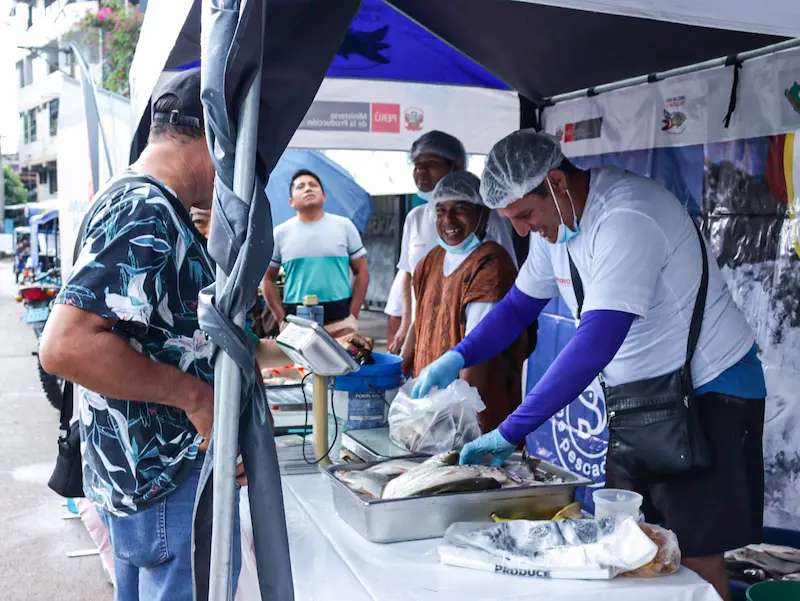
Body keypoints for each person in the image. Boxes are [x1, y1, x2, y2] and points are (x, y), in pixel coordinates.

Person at [413, 129, 766, 601]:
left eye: (525, 216)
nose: (523, 231)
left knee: (695, 556)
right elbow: (517, 308)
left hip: (708, 393)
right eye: (513, 220)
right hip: (645, 399)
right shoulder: (556, 224)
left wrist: (511, 430)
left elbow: (595, 342)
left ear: (557, 183)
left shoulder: (626, 217)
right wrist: (457, 355)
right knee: (636, 548)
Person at [39, 68, 243, 601]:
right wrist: (196, 397)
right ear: (216, 138)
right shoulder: (144, 208)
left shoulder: (139, 199)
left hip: (146, 477)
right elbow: (66, 346)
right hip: (164, 478)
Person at [404, 172, 526, 432]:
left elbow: (479, 349)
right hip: (430, 410)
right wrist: (398, 372)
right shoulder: (431, 260)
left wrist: (458, 419)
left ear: (482, 214)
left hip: (471, 414)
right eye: (441, 210)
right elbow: (420, 319)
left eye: (460, 208)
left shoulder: (490, 263)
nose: (448, 219)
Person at [386, 131, 517, 354]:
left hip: (472, 335)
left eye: (431, 163)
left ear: (456, 165)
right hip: (425, 330)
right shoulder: (422, 236)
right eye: (417, 164)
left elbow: (506, 281)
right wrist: (408, 324)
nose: (421, 171)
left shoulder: (488, 231)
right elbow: (408, 274)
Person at [261, 169, 369, 334]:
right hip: (296, 320)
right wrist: (281, 319)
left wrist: (352, 315)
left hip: (341, 319)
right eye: (300, 186)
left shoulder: (344, 226)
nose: (308, 189)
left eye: (313, 185)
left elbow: (362, 272)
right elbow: (267, 279)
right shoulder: (280, 233)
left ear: (324, 196)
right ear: (291, 201)